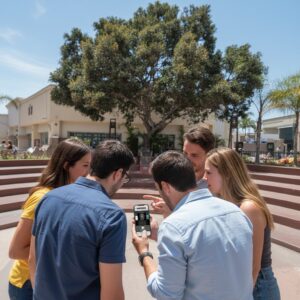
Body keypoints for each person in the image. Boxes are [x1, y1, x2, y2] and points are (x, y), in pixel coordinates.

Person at [132, 151, 254, 300]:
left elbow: (166, 294)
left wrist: (144, 253)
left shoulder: (173, 226)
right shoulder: (236, 212)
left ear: (165, 186)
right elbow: (209, 250)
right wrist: (160, 234)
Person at [29, 140, 134, 300]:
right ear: (117, 174)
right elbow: (112, 295)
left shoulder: (48, 198)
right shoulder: (112, 215)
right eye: (124, 177)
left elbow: (32, 260)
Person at [8, 138, 91, 300]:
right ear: (67, 166)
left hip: (48, 280)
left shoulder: (67, 193)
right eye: (85, 165)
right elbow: (15, 250)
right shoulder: (42, 197)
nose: (89, 172)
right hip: (28, 285)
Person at [204, 147, 280, 300]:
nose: (204, 178)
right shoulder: (224, 203)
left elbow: (253, 266)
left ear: (227, 175)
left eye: (209, 172)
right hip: (240, 284)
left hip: (257, 288)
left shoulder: (249, 208)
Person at [145, 125, 215, 217]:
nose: (187, 159)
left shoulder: (215, 185)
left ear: (209, 155)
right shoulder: (176, 177)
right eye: (185, 153)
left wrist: (172, 213)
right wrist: (170, 204)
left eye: (194, 155)